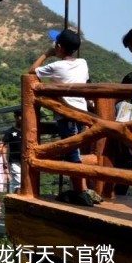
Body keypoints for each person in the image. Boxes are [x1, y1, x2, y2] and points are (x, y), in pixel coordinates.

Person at [30, 28, 93, 206]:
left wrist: (47, 54)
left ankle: (82, 193)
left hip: (67, 115)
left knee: (73, 154)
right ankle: (81, 190)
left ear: (58, 46)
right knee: (75, 151)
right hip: (82, 114)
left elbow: (32, 71)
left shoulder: (56, 66)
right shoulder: (83, 63)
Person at [2, 110, 23, 193]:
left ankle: (15, 202)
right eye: (19, 116)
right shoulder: (10, 131)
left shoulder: (28, 130)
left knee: (23, 183)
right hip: (15, 161)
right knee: (19, 183)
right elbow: (4, 146)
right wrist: (5, 160)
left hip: (26, 161)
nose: (21, 118)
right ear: (15, 117)